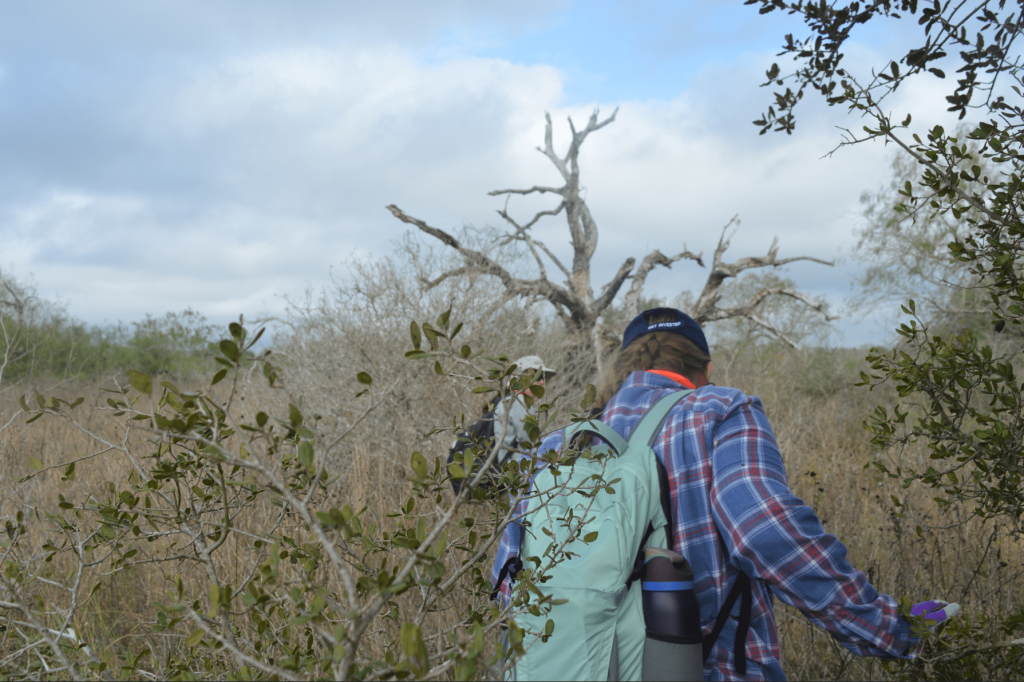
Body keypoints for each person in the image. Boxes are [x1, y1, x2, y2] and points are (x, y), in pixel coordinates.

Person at [493, 308, 958, 681]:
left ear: (622, 370)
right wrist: (890, 629)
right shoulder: (722, 409)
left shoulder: (560, 443)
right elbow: (762, 532)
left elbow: (509, 576)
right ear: (706, 369)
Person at [489, 355, 555, 467]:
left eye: (543, 377)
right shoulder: (520, 402)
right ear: (522, 378)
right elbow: (531, 441)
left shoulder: (508, 400)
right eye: (537, 377)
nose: (542, 382)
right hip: (519, 472)